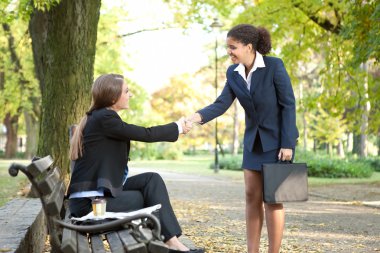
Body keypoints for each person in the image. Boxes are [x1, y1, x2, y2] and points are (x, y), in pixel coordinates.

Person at [186, 24, 299, 253]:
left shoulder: (274, 66)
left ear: (249, 47)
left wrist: (288, 143)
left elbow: (288, 104)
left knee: (274, 200)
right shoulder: (233, 73)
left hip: (279, 143)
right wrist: (195, 117)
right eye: (228, 48)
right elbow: (221, 103)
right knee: (251, 196)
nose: (229, 52)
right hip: (253, 142)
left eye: (233, 47)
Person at [67, 73, 204, 253]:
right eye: (127, 91)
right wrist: (177, 127)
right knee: (145, 198)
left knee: (151, 180)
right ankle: (175, 246)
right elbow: (144, 134)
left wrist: (176, 128)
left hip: (96, 198)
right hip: (90, 206)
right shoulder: (104, 119)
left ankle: (173, 243)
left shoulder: (101, 117)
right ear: (113, 96)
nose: (130, 95)